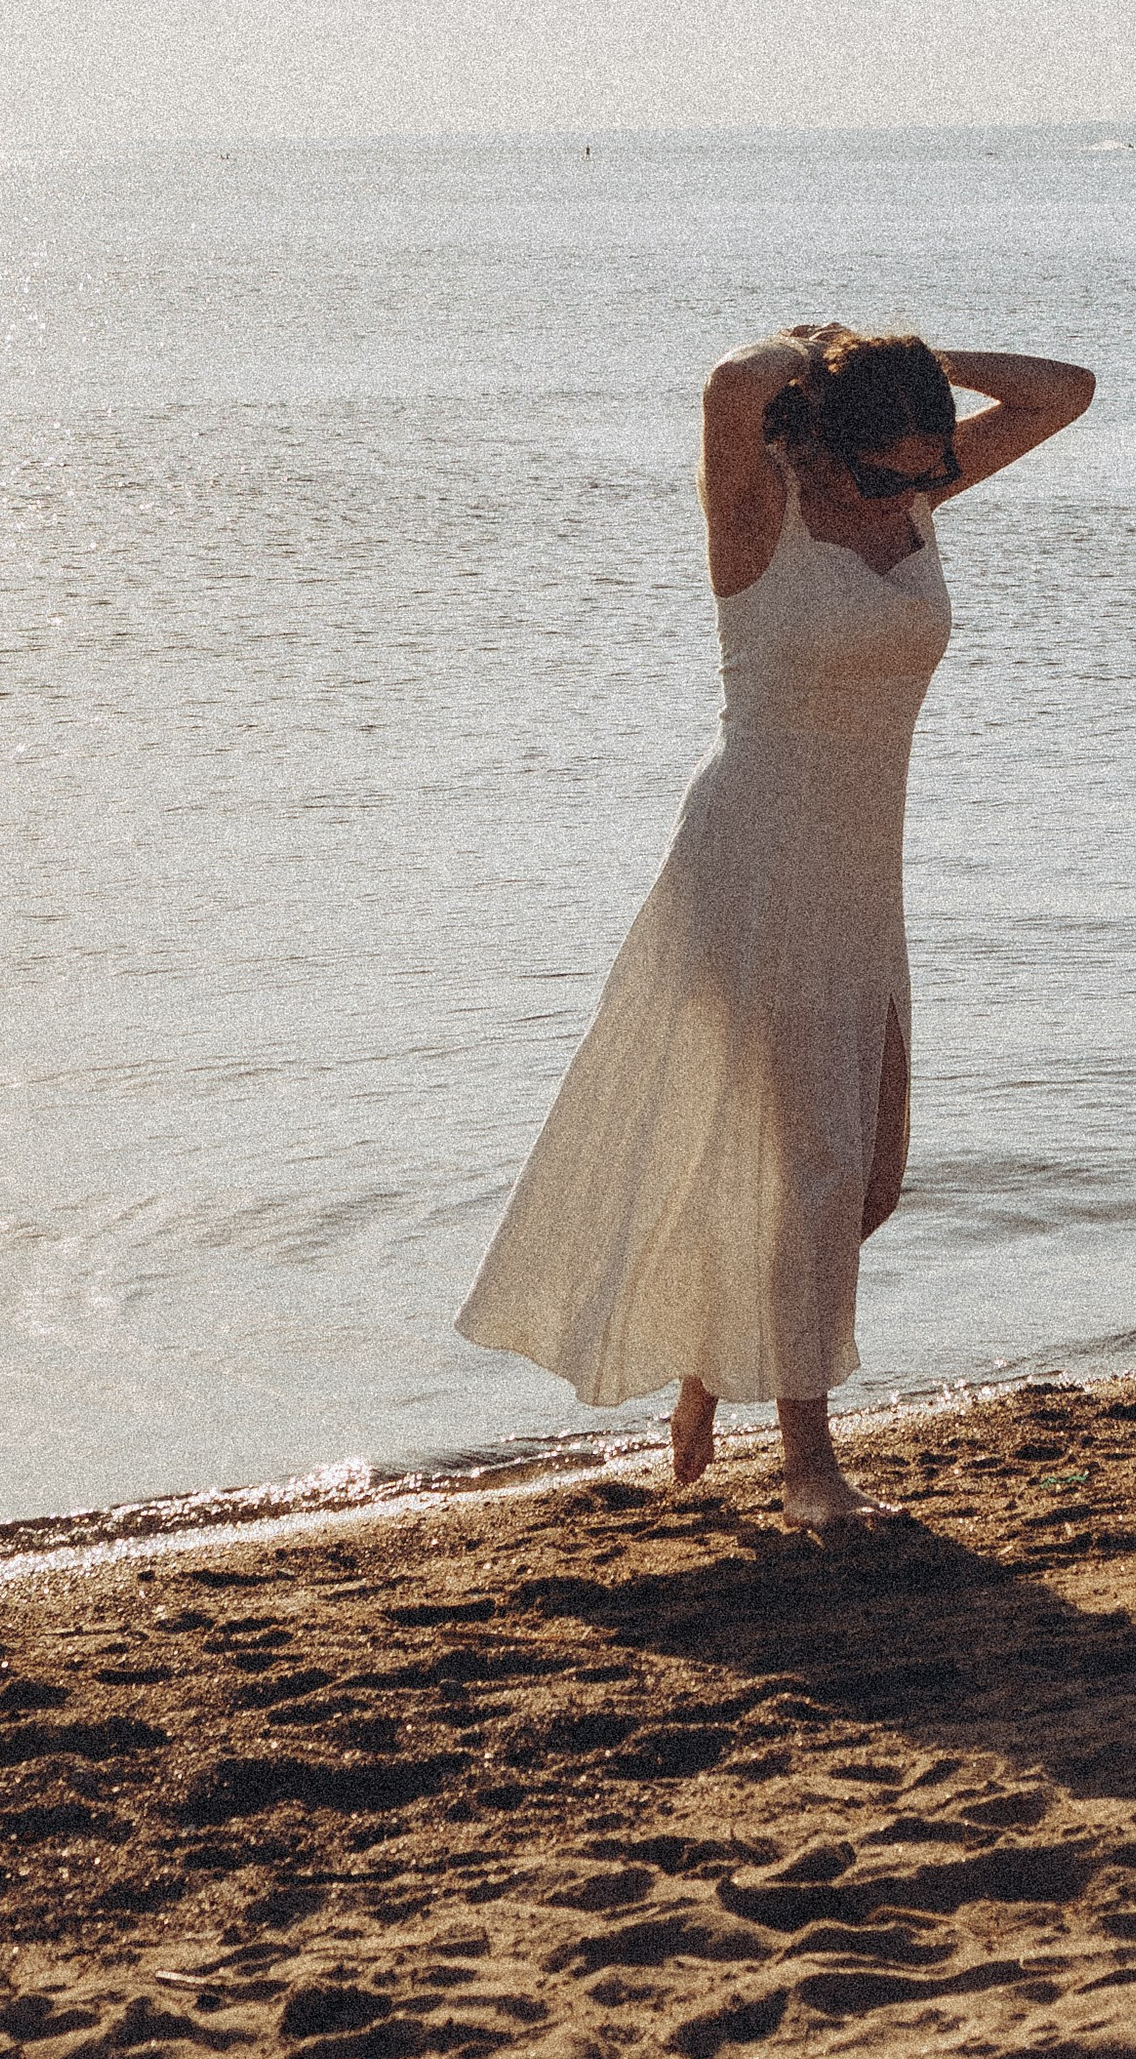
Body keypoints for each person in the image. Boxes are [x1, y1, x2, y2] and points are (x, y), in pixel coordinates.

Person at [455, 320, 1094, 1527]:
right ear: (832, 441)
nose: (923, 485)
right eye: (894, 466)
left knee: (867, 1184)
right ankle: (809, 1471)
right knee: (813, 1170)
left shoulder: (910, 485)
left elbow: (1065, 392)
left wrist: (918, 365)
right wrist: (824, 347)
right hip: (752, 858)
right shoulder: (762, 509)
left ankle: (712, 1370)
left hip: (860, 873)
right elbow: (731, 386)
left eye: (930, 467)